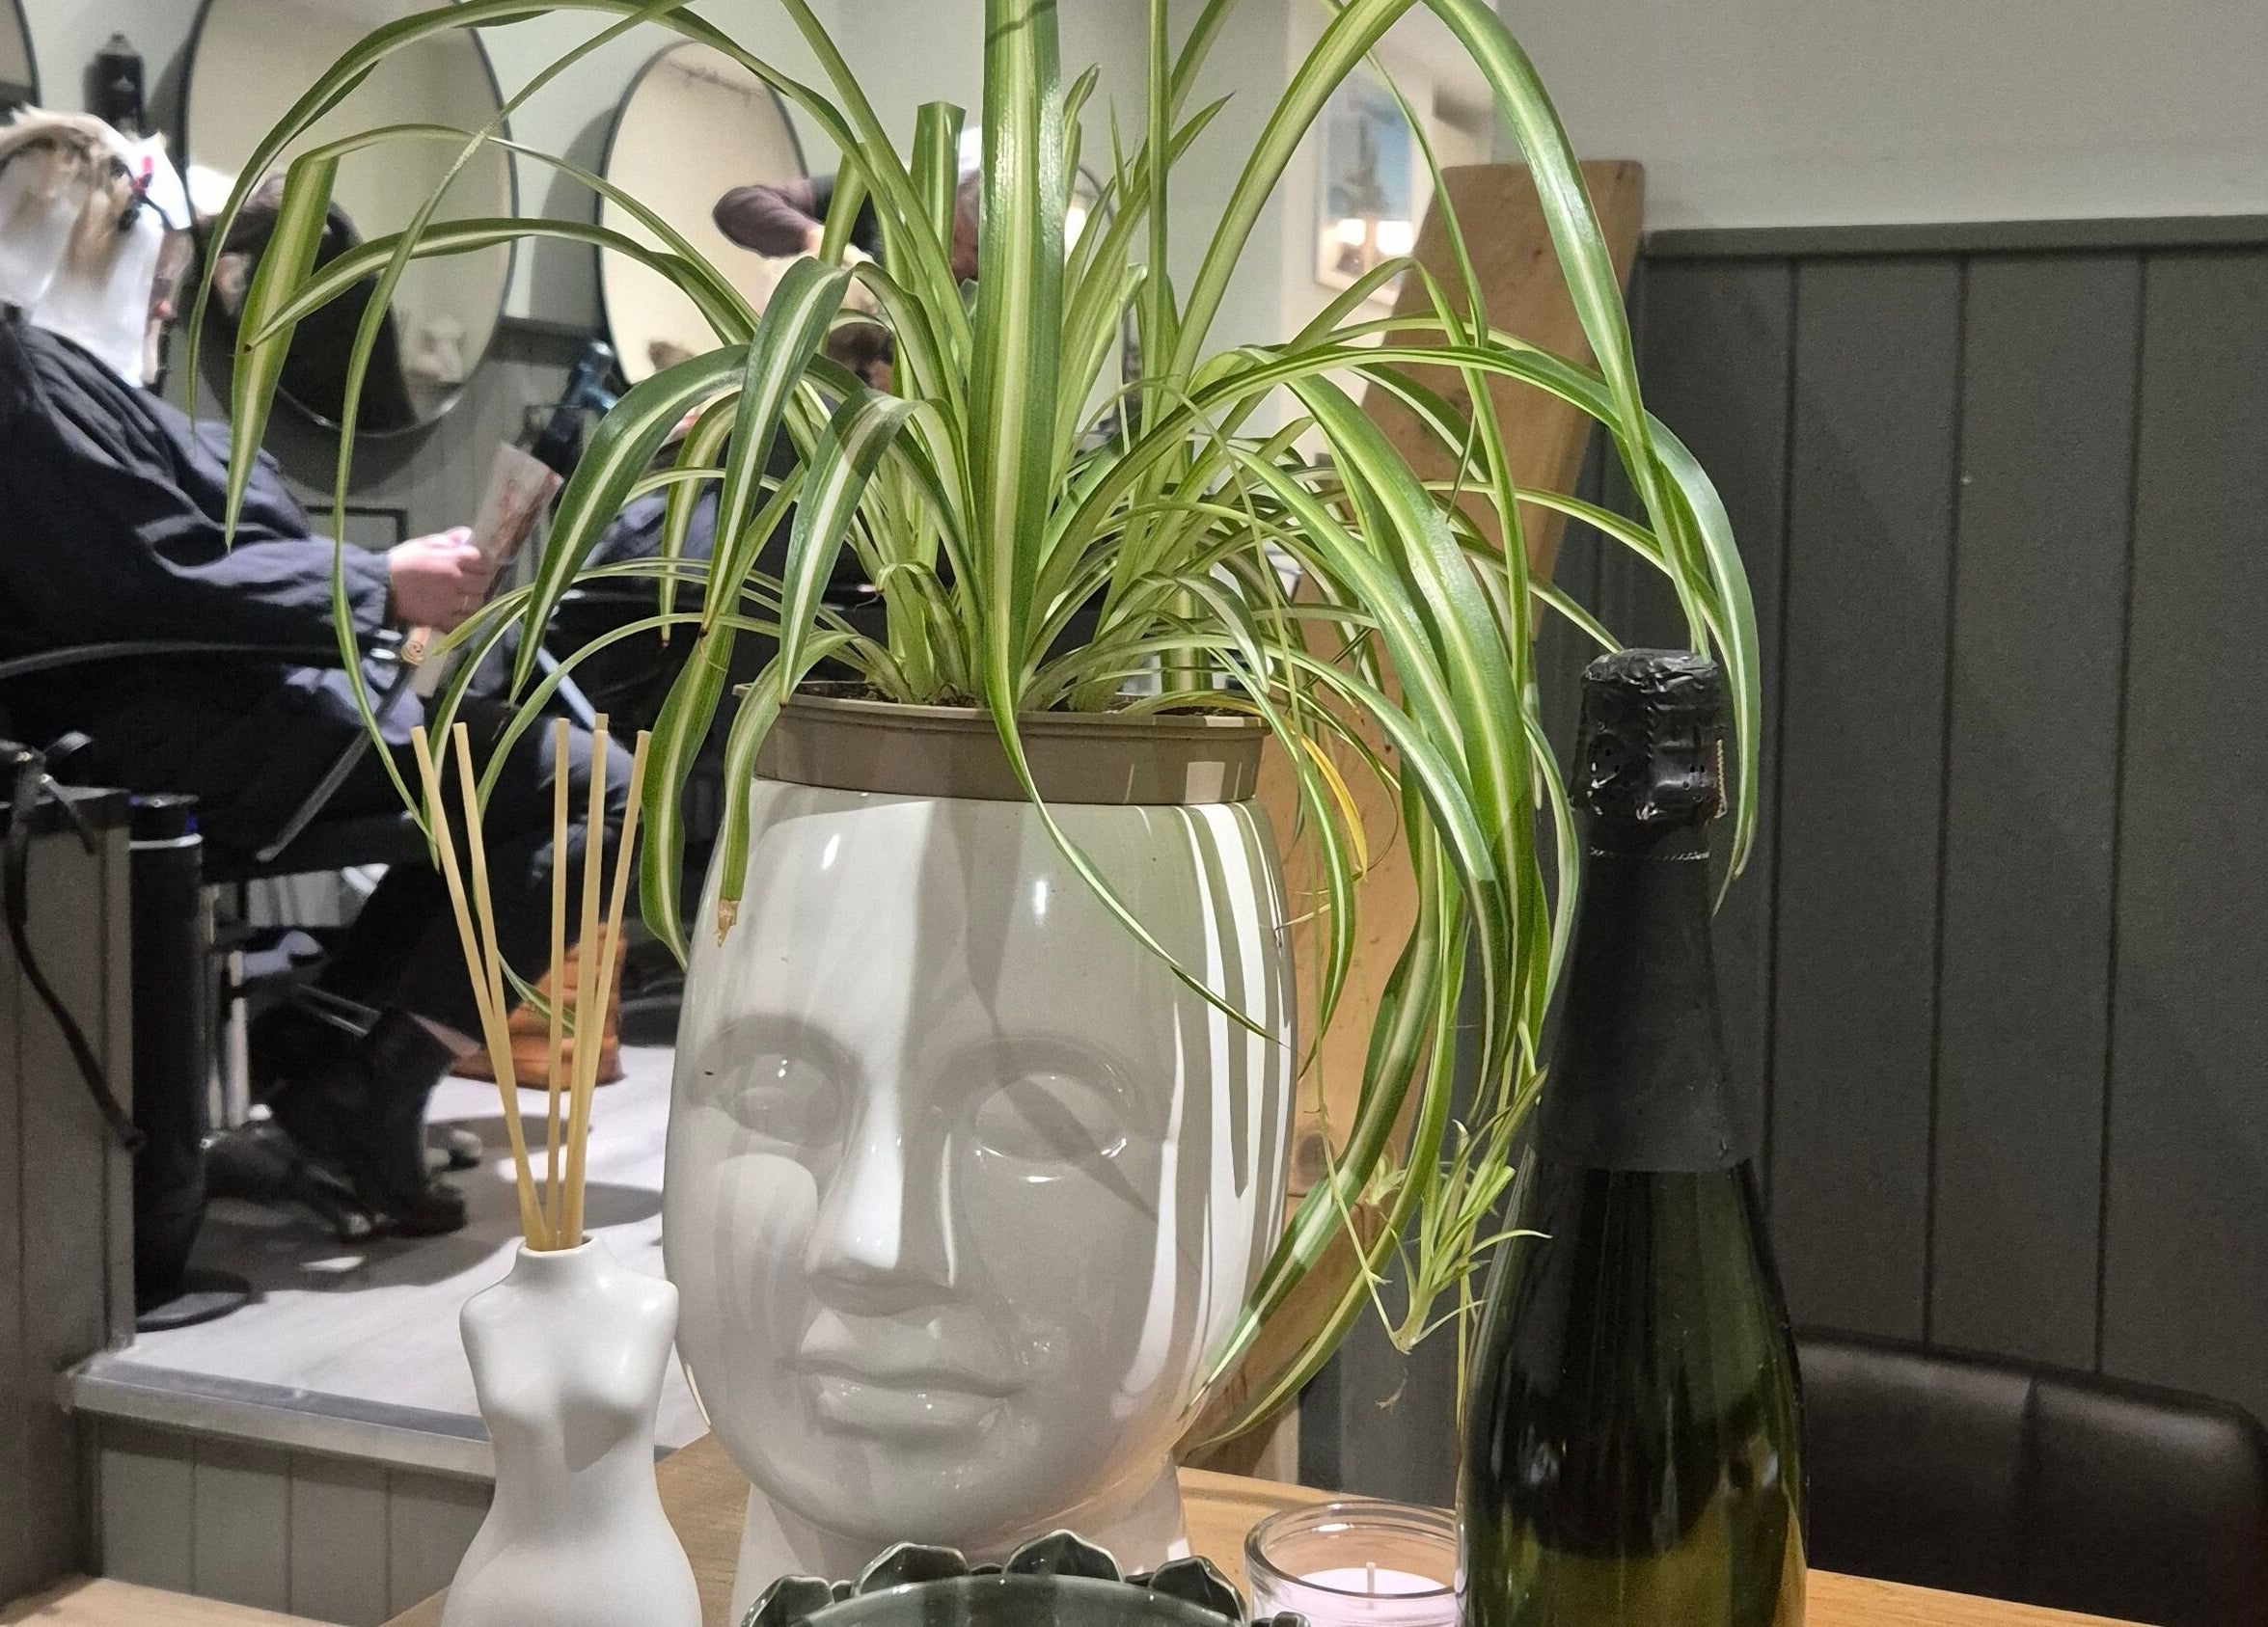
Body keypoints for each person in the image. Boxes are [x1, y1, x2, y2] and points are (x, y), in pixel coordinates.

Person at [0, 110, 630, 1234]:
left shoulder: (61, 379)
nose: (167, 302)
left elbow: (178, 549)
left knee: (548, 771)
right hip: (167, 730)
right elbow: (150, 573)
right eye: (161, 275)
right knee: (590, 783)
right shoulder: (27, 382)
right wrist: (378, 583)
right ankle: (359, 1069)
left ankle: (335, 1050)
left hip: (230, 703)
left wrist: (385, 585)